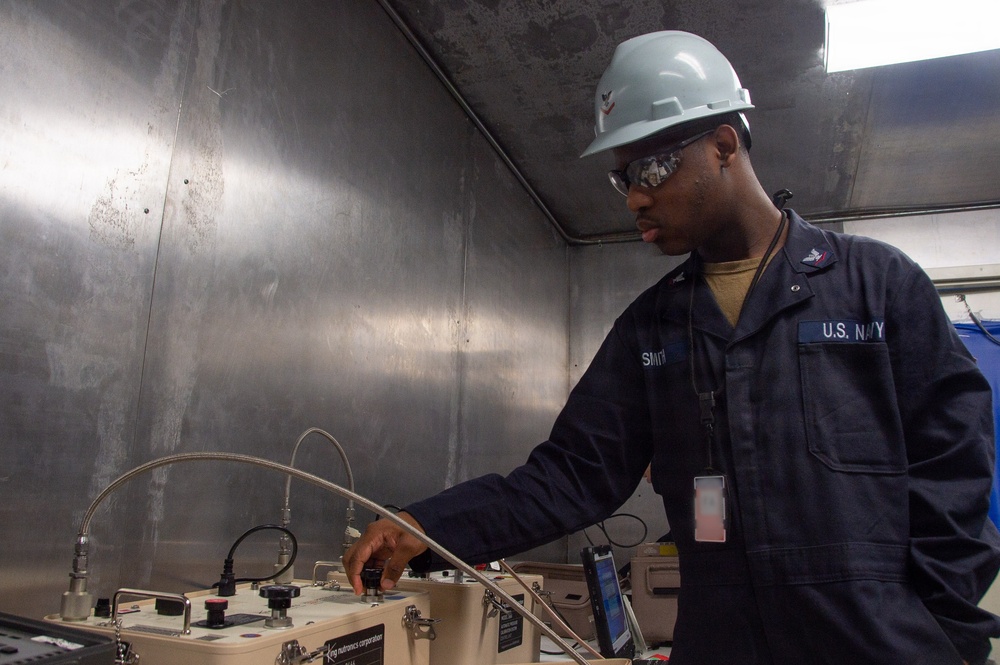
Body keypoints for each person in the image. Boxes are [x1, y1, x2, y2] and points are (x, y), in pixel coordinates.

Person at [344, 31, 1000, 664]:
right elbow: (570, 475)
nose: (634, 196)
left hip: (875, 644)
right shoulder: (653, 329)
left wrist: (933, 625)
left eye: (651, 167)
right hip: (723, 644)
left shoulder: (876, 287)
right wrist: (426, 525)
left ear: (723, 145)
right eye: (621, 177)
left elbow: (955, 467)